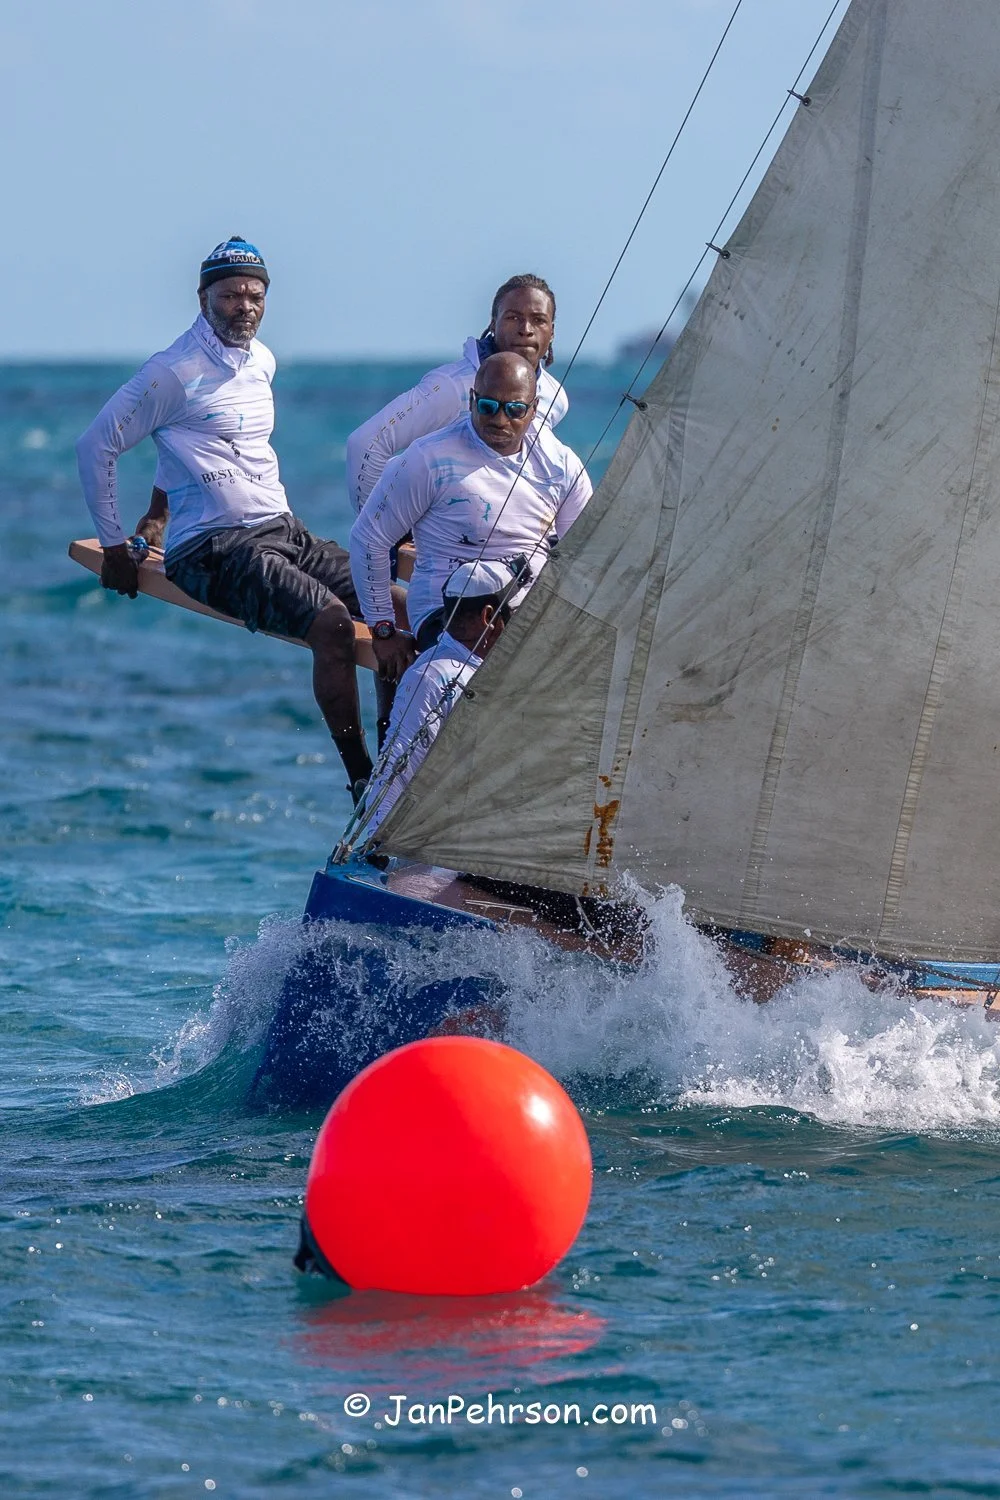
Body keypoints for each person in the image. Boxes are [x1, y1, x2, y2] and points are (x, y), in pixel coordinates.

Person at [75, 236, 388, 793]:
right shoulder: (172, 372)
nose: (244, 307)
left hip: (283, 529)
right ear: (203, 299)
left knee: (403, 605)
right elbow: (94, 446)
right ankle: (363, 780)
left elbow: (191, 441)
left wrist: (156, 512)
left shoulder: (261, 361)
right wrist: (116, 547)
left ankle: (400, 757)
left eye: (254, 296)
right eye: (230, 296)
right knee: (333, 625)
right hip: (214, 549)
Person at [349, 351, 593, 684]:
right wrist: (383, 630)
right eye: (488, 406)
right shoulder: (427, 458)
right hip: (448, 612)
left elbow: (586, 554)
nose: (500, 420)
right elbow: (368, 539)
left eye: (515, 410)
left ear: (534, 410)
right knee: (501, 662)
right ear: (472, 400)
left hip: (529, 609)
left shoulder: (561, 465)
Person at [345, 273, 568, 514]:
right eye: (513, 317)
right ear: (493, 324)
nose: (526, 329)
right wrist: (383, 528)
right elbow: (366, 444)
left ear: (552, 332)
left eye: (538, 320)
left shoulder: (555, 397)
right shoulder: (453, 387)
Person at [357, 560, 520, 840]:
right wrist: (376, 845)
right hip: (455, 848)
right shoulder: (432, 679)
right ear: (488, 617)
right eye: (518, 613)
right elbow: (395, 773)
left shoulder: (494, 669)